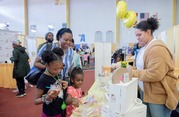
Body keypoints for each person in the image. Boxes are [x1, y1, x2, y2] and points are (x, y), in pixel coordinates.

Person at [132, 17, 178, 117]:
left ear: (148, 32)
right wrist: (132, 69)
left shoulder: (157, 48)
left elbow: (155, 74)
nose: (138, 38)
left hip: (157, 95)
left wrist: (133, 73)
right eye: (136, 36)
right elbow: (142, 68)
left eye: (140, 35)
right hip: (147, 92)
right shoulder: (145, 47)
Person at [34, 48, 68, 117]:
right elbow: (36, 101)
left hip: (60, 110)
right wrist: (47, 97)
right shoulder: (42, 80)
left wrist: (64, 85)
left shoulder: (55, 74)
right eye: (55, 69)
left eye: (60, 68)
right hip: (50, 113)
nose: (58, 71)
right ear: (46, 65)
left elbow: (55, 83)